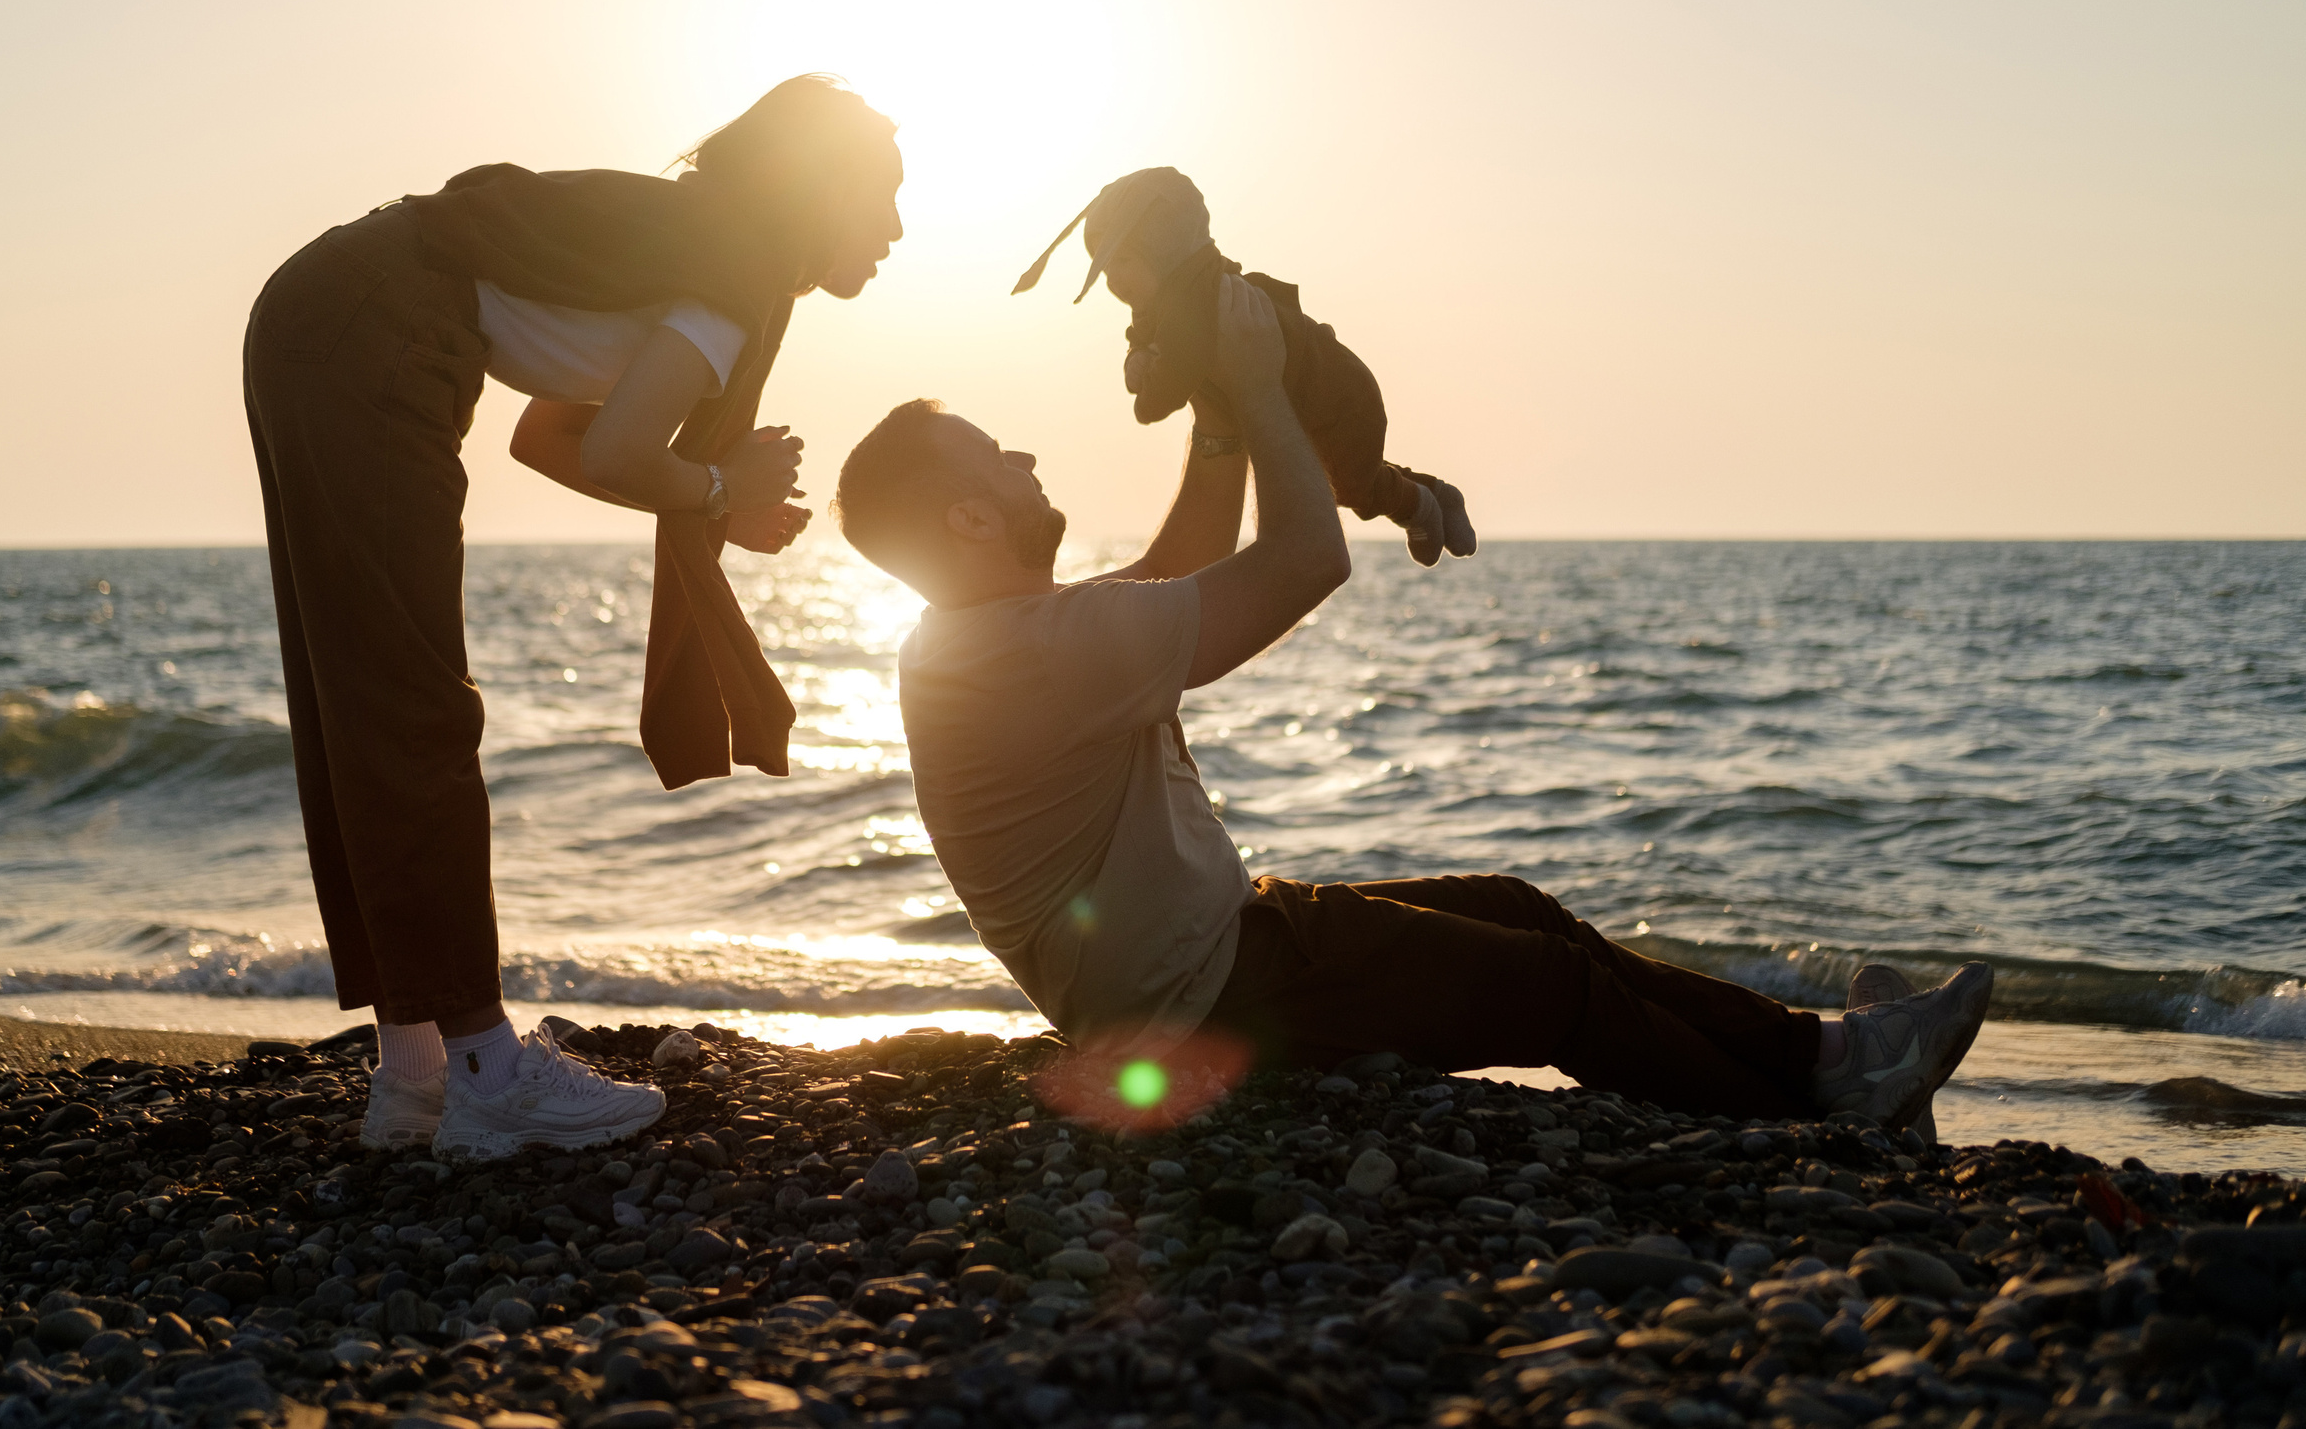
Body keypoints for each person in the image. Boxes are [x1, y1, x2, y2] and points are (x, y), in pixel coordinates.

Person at [833, 277, 1990, 1129]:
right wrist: (1255, 385)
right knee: (1552, 993)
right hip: (1210, 991)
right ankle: (1826, 1099)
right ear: (968, 520)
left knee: (1513, 906)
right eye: (996, 456)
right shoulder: (1031, 652)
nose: (1025, 456)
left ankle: (1829, 1060)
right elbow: (1303, 562)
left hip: (1206, 962)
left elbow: (1181, 560)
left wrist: (1225, 414)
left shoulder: (985, 644)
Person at [244, 76, 903, 1162]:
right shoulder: (738, 266)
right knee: (410, 704)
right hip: (374, 327)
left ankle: (416, 1077)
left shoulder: (698, 248)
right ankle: (489, 1071)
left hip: (333, 310)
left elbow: (545, 441)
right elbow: (612, 455)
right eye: (879, 196)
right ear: (817, 188)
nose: (893, 228)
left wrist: (709, 487)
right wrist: (710, 487)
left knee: (359, 699)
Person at [1013, 165, 1477, 566]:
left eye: (1125, 262)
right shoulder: (1167, 298)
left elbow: (1157, 401)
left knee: (1344, 485)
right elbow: (1143, 338)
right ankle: (1434, 493)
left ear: (1165, 248)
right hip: (1302, 399)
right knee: (1327, 473)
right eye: (1105, 266)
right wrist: (1137, 358)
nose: (1115, 281)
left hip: (1335, 394)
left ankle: (1419, 504)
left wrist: (1145, 378)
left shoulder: (1195, 306)